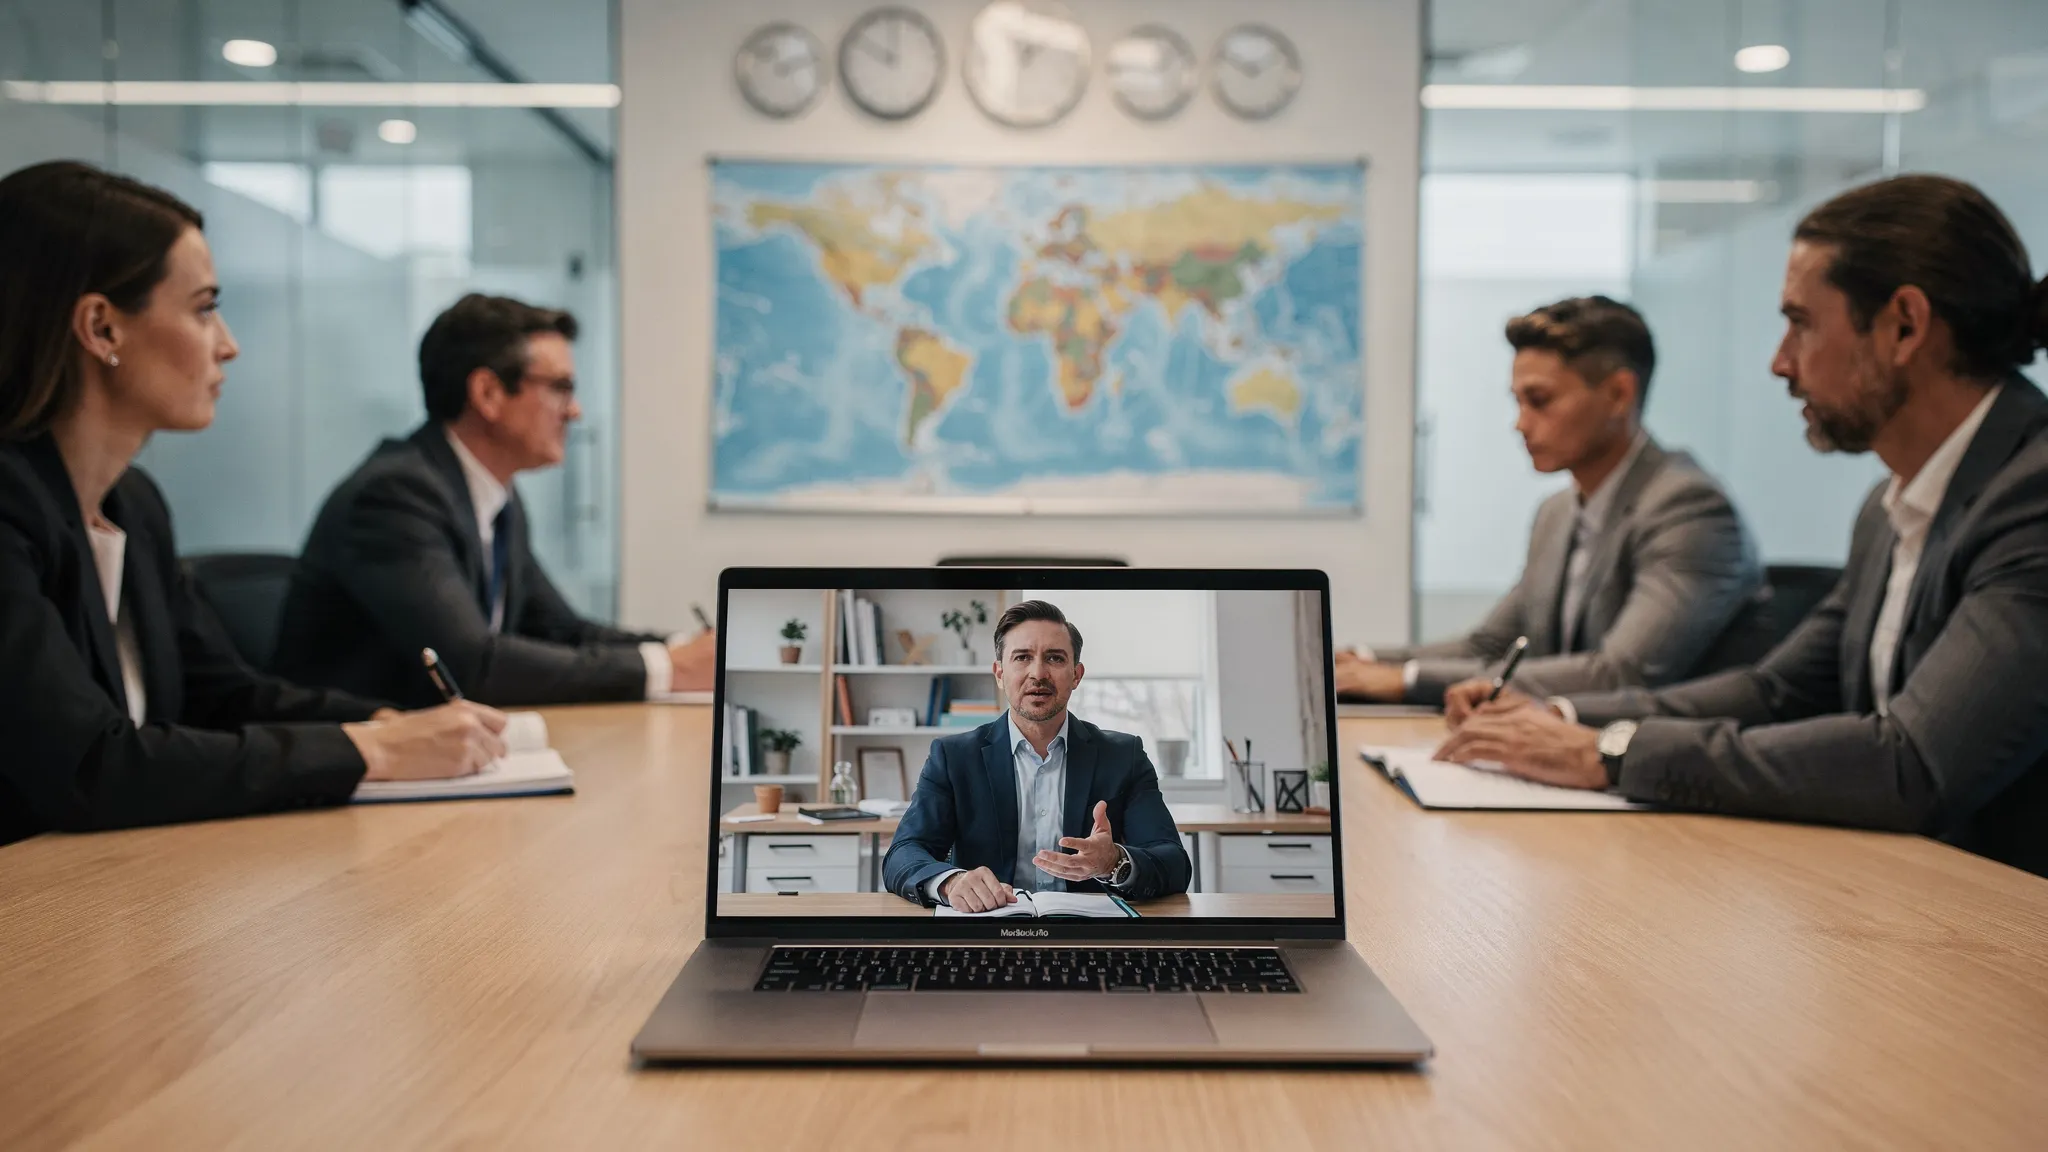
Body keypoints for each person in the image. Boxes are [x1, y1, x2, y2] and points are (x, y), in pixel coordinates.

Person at [1437, 174, 2048, 878]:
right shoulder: (1890, 510)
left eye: (1802, 323)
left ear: (1904, 326)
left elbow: (1911, 765)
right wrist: (1566, 717)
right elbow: (1773, 692)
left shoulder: (2031, 497)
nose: (1779, 361)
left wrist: (1613, 755)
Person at [0, 161, 503, 845]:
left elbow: (224, 698)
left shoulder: (134, 504)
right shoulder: (9, 508)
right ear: (101, 328)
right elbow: (88, 764)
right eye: (205, 308)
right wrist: (372, 752)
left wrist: (387, 722)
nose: (229, 345)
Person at [273, 294, 716, 708]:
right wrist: (669, 669)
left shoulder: (494, 496)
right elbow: (471, 664)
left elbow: (562, 631)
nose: (574, 410)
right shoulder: (394, 496)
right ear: (488, 394)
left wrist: (683, 649)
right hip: (361, 769)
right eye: (560, 387)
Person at [1338, 296, 1763, 708]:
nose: (1520, 424)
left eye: (1539, 401)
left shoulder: (1690, 509)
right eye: (1517, 402)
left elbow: (1623, 672)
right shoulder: (1557, 513)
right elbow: (1488, 645)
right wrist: (1365, 661)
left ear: (1618, 394)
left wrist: (1406, 680)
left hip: (1663, 767)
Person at [882, 600, 1192, 910]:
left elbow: (1173, 863)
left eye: (1055, 658)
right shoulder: (953, 757)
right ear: (999, 673)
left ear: (1076, 675)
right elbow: (903, 853)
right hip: (986, 932)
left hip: (1088, 937)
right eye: (1022, 657)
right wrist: (952, 882)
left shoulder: (1125, 756)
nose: (1038, 673)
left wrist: (1114, 862)